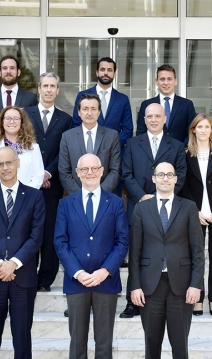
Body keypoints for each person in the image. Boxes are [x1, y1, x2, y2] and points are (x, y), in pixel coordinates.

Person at [0, 146, 45, 359]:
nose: (5, 168)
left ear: (18, 163)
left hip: (23, 277)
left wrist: (13, 263)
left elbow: (36, 236)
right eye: (0, 164)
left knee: (22, 339)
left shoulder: (34, 197)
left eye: (9, 162)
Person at [54, 153, 129, 359]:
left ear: (102, 171)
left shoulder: (114, 202)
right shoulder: (66, 204)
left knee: (104, 343)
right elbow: (60, 242)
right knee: (77, 343)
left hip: (106, 281)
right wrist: (77, 272)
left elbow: (122, 241)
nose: (90, 173)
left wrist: (105, 271)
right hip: (77, 281)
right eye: (84, 169)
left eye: (94, 168)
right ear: (77, 173)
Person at [128, 162, 204, 359]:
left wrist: (196, 285)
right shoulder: (141, 208)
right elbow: (134, 252)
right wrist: (135, 286)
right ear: (153, 178)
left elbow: (197, 250)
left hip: (181, 287)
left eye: (169, 174)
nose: (165, 178)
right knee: (151, 345)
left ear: (175, 179)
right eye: (160, 174)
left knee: (180, 345)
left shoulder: (188, 207)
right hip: (149, 287)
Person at [118, 102, 187, 318]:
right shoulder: (131, 143)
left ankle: (160, 297)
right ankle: (132, 301)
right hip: (139, 207)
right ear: (144, 120)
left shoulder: (176, 146)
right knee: (136, 252)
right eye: (149, 116)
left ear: (165, 119)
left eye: (158, 116)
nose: (154, 120)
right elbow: (126, 174)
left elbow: (181, 175)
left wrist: (160, 196)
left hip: (167, 209)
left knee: (162, 252)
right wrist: (142, 196)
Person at [179, 113, 212, 317]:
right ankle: (198, 299)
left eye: (207, 127)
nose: (203, 130)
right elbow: (183, 186)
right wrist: (196, 210)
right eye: (199, 127)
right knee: (197, 256)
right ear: (193, 129)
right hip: (196, 213)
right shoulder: (186, 154)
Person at [24, 72, 74, 292]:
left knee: (50, 231)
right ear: (39, 88)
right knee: (28, 230)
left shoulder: (65, 119)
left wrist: (48, 173)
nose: (49, 90)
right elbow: (22, 146)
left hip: (53, 185)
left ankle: (46, 278)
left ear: (57, 90)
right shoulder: (25, 114)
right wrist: (37, 174)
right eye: (45, 85)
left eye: (53, 86)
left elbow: (65, 152)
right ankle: (27, 274)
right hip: (27, 185)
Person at [59, 94, 121, 195]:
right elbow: (64, 171)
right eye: (85, 109)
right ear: (79, 112)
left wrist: (99, 193)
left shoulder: (111, 135)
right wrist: (81, 195)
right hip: (76, 197)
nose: (89, 113)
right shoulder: (67, 137)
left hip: (105, 196)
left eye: (93, 109)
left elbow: (115, 170)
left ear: (99, 112)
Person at [71, 57, 133, 149]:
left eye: (109, 70)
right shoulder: (82, 96)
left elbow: (128, 129)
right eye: (102, 69)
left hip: (115, 152)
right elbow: (76, 124)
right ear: (97, 72)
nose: (106, 73)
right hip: (88, 148)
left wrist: (111, 144)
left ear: (114, 73)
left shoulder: (123, 99)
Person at [0, 106, 44, 190]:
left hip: (26, 199)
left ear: (22, 122)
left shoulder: (33, 147)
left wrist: (25, 195)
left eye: (16, 119)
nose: (11, 122)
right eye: (8, 118)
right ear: (2, 122)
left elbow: (38, 177)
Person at [136, 64, 196, 145]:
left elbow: (192, 132)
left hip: (180, 154)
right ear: (156, 82)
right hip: (153, 154)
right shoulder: (146, 104)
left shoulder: (187, 105)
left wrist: (180, 149)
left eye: (169, 79)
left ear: (175, 81)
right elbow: (141, 132)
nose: (166, 83)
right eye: (162, 79)